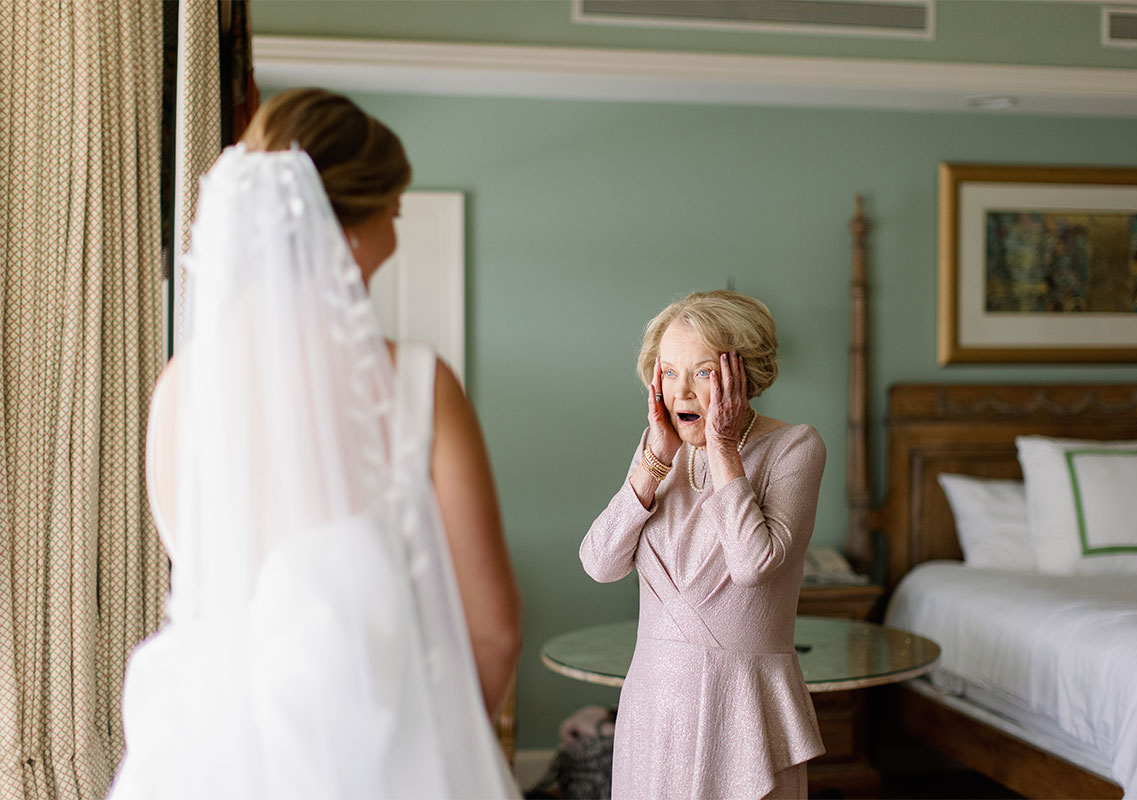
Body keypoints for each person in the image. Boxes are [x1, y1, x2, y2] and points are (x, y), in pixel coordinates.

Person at [110, 88, 521, 799]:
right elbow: (495, 632)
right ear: (351, 230)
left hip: (209, 755)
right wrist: (439, 756)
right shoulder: (416, 382)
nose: (399, 219)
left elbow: (203, 573)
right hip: (386, 754)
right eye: (394, 203)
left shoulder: (181, 385)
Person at [580, 290, 826, 800]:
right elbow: (600, 563)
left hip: (744, 708)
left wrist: (723, 449)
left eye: (703, 372)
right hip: (655, 707)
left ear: (745, 375)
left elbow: (753, 564)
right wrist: (651, 466)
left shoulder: (795, 447)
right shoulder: (656, 451)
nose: (682, 393)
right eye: (668, 372)